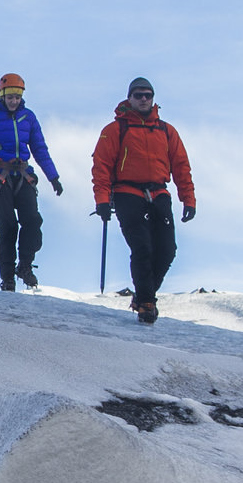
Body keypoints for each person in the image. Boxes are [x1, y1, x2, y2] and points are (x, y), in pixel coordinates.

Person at [90, 76, 196, 323]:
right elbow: (101, 167)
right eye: (138, 95)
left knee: (167, 251)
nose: (144, 99)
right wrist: (102, 200)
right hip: (127, 194)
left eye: (148, 95)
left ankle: (143, 295)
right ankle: (147, 303)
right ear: (129, 98)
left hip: (159, 193)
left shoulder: (167, 131)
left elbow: (181, 167)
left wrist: (188, 199)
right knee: (142, 248)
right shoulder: (114, 130)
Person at [0, 72, 63, 292]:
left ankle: (25, 266)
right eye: (10, 97)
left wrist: (53, 177)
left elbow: (39, 149)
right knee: (8, 226)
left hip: (24, 175)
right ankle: (7, 278)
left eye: (17, 97)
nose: (13, 101)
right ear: (2, 95)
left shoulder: (28, 117)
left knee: (32, 220)